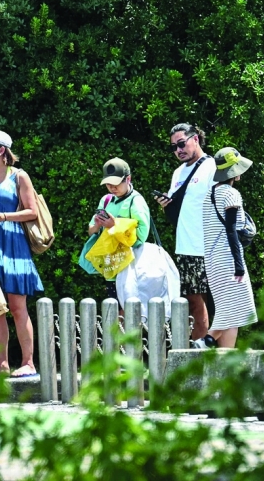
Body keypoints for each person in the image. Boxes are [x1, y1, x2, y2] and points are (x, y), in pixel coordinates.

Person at [0, 131, 43, 378]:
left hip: (15, 247)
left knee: (17, 306)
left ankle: (28, 363)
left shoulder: (19, 176)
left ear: (1, 150)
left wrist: (4, 216)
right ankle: (0, 364)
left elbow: (32, 212)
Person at [157, 123, 216, 342]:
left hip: (209, 245)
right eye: (174, 147)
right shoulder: (178, 173)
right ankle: (198, 351)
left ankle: (208, 353)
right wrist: (165, 204)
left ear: (196, 139)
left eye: (181, 144)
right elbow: (177, 210)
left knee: (214, 302)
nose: (178, 150)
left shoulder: (212, 167)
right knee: (193, 302)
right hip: (185, 246)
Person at [199, 147, 257, 348]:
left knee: (232, 309)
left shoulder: (210, 194)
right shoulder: (231, 194)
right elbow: (231, 231)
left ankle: (226, 356)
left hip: (213, 261)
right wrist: (239, 265)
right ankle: (206, 341)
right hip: (228, 259)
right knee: (238, 306)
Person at [87, 158, 150, 302]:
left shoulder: (136, 201)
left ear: (128, 179)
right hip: (111, 266)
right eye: (108, 184)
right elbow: (91, 232)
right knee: (115, 309)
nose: (112, 187)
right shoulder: (106, 200)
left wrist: (114, 226)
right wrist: (97, 225)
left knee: (129, 311)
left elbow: (141, 237)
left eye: (116, 183)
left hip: (131, 269)